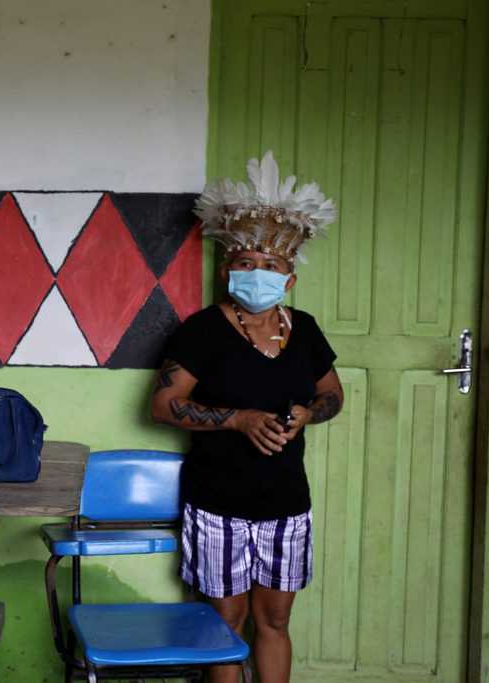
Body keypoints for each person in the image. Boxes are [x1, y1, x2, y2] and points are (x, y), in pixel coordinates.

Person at [150, 151, 343, 683]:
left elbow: (333, 395)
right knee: (225, 622)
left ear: (290, 280)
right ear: (226, 269)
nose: (258, 274)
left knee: (274, 620)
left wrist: (309, 413)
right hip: (218, 505)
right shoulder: (201, 331)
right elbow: (162, 405)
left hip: (286, 504)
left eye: (272, 266)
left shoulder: (303, 330)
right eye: (247, 263)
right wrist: (235, 420)